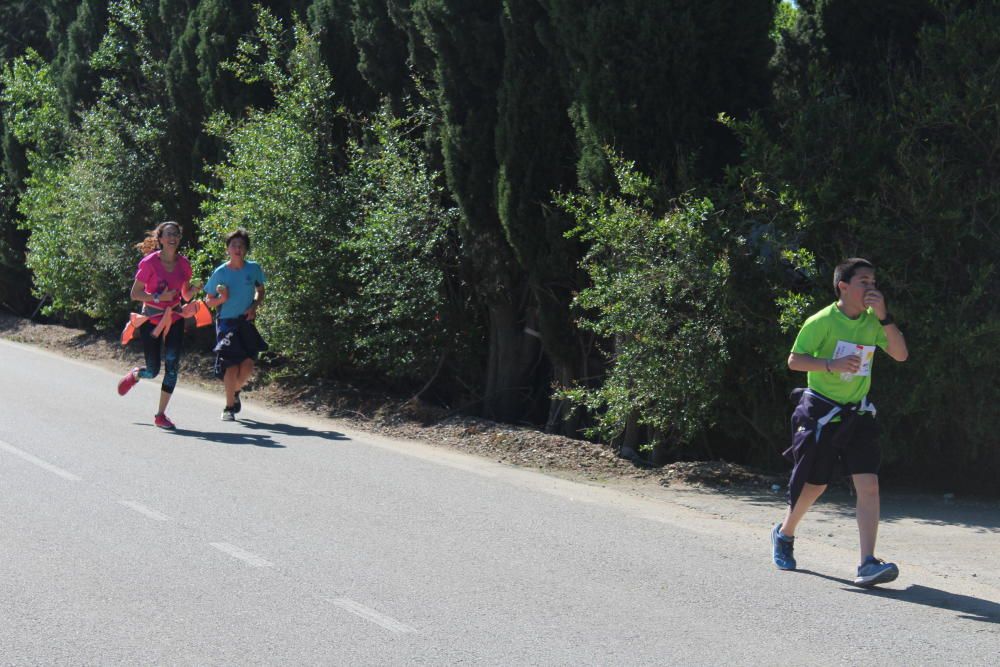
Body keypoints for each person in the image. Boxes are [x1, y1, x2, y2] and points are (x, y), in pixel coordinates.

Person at [772, 257, 909, 587]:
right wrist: (831, 364)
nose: (871, 287)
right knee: (815, 485)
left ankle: (866, 563)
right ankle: (785, 533)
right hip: (822, 412)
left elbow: (901, 354)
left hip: (858, 414)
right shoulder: (822, 321)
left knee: (869, 485)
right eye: (864, 281)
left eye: (873, 282)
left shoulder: (872, 322)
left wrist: (885, 317)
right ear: (843, 286)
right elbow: (795, 360)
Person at [117, 221, 201, 429]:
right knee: (153, 370)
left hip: (174, 317)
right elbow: (135, 294)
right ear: (161, 239)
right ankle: (137, 374)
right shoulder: (149, 263)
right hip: (152, 319)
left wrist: (196, 290)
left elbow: (185, 294)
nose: (173, 238)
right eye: (169, 234)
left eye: (176, 234)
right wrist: (158, 296)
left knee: (172, 366)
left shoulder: (184, 264)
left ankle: (160, 415)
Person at [204, 228, 267, 421]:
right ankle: (229, 407)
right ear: (228, 249)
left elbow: (261, 290)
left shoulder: (253, 268)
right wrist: (222, 298)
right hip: (226, 324)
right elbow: (208, 300)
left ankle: (235, 392)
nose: (237, 248)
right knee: (230, 366)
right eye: (233, 245)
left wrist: (254, 306)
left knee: (247, 365)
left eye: (241, 245)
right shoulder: (220, 272)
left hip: (246, 322)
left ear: (246, 249)